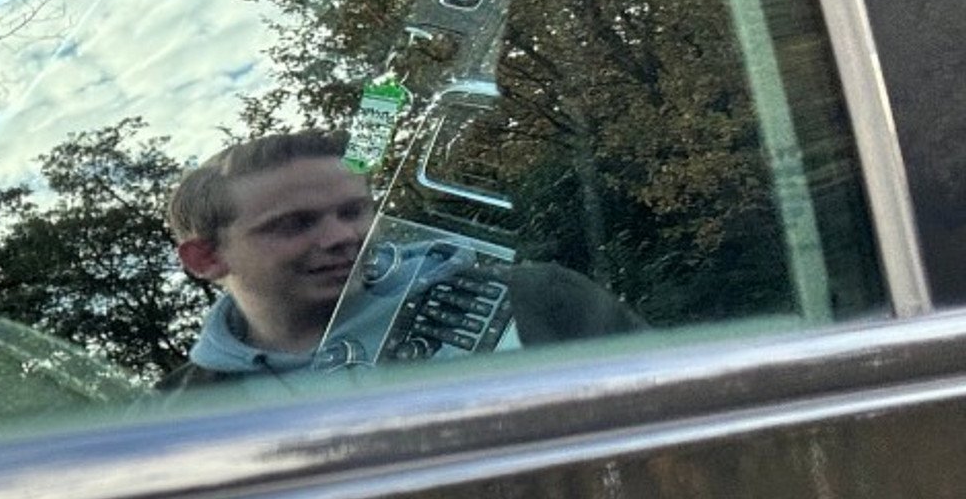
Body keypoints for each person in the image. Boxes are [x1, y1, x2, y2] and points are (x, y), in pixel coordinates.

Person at [158, 131, 643, 393]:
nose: (342, 237)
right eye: (294, 224)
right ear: (206, 258)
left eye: (354, 211)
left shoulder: (534, 299)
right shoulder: (173, 416)